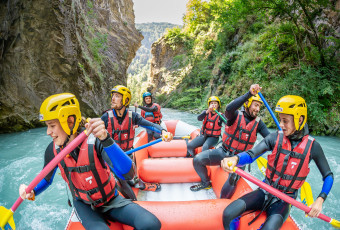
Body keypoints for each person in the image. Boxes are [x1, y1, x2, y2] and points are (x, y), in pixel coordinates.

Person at [19, 93, 161, 230]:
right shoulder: (53, 149)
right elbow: (46, 178)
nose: (48, 132)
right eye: (47, 126)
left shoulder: (95, 140)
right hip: (84, 204)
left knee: (150, 223)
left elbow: (128, 174)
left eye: (52, 126)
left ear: (69, 121)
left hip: (110, 200)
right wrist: (32, 191)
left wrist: (106, 139)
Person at [221, 95, 334, 230]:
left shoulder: (313, 147)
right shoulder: (274, 138)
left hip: (285, 200)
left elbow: (328, 176)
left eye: (285, 121)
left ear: (300, 120)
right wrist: (236, 159)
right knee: (228, 214)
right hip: (264, 190)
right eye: (280, 120)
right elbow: (252, 155)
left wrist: (320, 200)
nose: (280, 125)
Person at [190, 84, 270, 198]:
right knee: (197, 160)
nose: (257, 109)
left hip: (239, 159)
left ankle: (223, 202)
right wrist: (249, 94)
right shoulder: (235, 115)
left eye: (259, 107)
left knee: (232, 178)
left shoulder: (259, 124)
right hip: (223, 151)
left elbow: (270, 140)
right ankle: (206, 182)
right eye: (255, 105)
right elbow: (229, 108)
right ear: (247, 103)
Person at [101, 86, 173, 195]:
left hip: (128, 154)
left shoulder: (133, 116)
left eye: (117, 96)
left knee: (130, 177)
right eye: (113, 96)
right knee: (120, 185)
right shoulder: (105, 117)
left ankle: (134, 180)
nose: (112, 99)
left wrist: (163, 131)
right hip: (112, 158)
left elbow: (151, 125)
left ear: (125, 100)